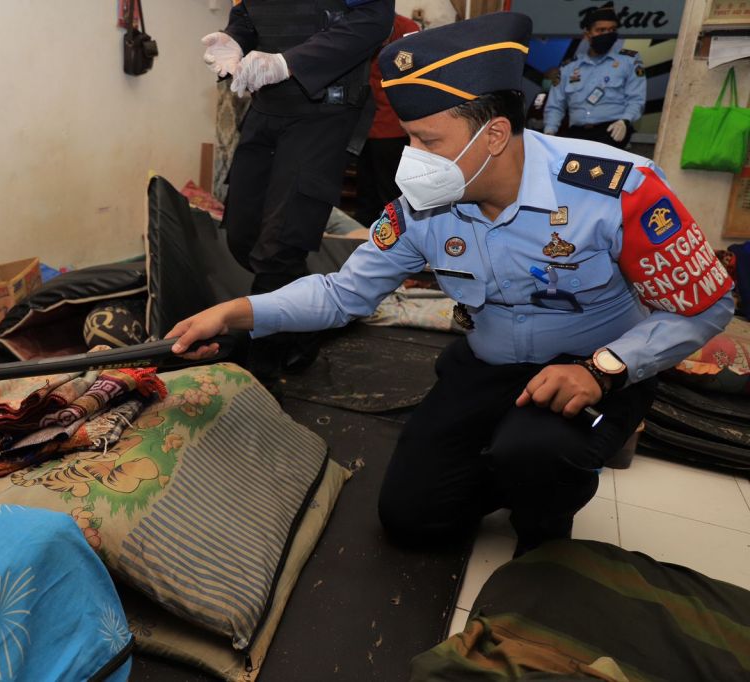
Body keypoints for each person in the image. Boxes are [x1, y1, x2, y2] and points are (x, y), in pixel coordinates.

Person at [171, 11, 735, 556]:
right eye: (409, 140)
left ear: (494, 135)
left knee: (537, 454)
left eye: (428, 141)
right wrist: (234, 312)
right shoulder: (424, 207)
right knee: (411, 519)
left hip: (590, 369)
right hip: (488, 364)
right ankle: (510, 465)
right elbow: (343, 293)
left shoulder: (615, 190)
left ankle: (543, 512)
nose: (412, 159)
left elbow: (707, 306)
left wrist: (604, 369)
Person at [200, 0, 394, 379]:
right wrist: (235, 39)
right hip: (267, 107)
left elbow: (373, 20)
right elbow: (248, 14)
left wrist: (289, 63)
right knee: (243, 236)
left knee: (279, 247)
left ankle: (262, 371)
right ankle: (308, 318)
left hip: (323, 111)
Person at [543, 2, 646, 149]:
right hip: (577, 134)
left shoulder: (629, 61)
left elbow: (636, 99)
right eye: (601, 30)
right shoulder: (569, 67)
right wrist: (549, 132)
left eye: (612, 30)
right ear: (587, 35)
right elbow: (555, 105)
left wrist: (625, 121)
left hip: (612, 131)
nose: (607, 34)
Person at [355, 13, 420, 227]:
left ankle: (388, 239)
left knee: (386, 197)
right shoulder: (363, 24)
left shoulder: (405, 29)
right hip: (367, 128)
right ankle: (366, 239)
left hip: (389, 128)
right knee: (369, 195)